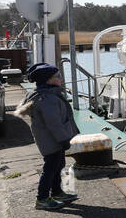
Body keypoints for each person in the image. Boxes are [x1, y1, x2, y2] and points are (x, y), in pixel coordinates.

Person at [16, 63, 80, 210]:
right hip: (51, 140)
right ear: (48, 80)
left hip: (55, 139)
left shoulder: (50, 94)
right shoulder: (47, 99)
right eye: (58, 76)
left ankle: (56, 192)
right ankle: (42, 198)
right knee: (50, 168)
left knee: (59, 165)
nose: (61, 79)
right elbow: (54, 123)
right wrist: (63, 139)